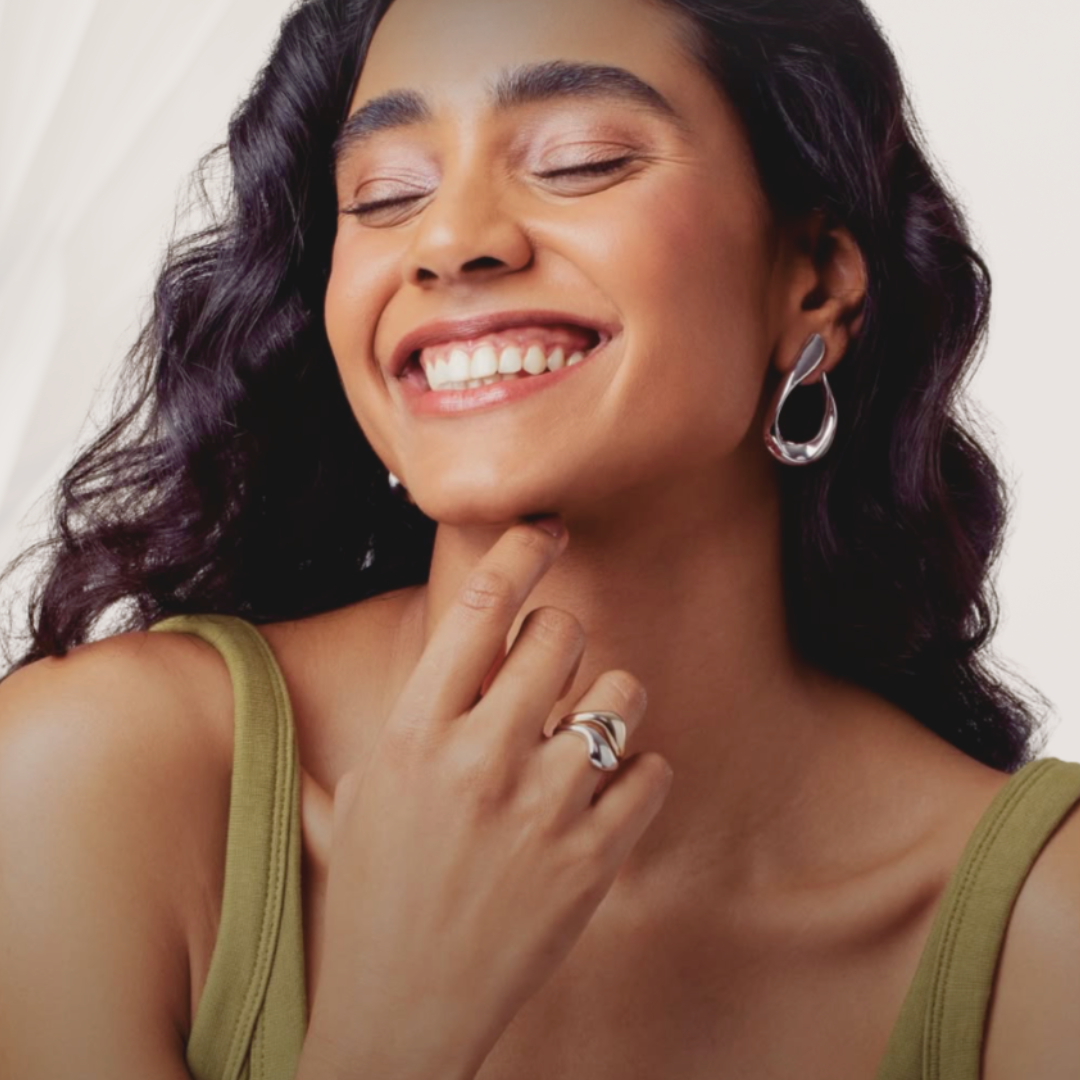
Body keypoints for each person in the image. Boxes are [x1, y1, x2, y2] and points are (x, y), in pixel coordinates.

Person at [0, 0, 1078, 1076]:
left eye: (581, 161)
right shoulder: (88, 784)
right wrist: (391, 1025)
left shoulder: (1046, 931)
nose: (451, 241)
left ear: (814, 280)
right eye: (384, 194)